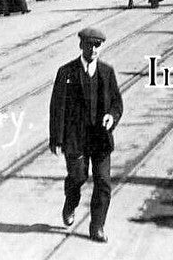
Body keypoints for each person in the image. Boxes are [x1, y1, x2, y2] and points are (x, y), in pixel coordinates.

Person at [48, 26, 124, 242]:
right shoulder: (66, 72)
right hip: (75, 138)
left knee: (103, 182)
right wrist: (56, 138)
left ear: (101, 47)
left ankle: (97, 226)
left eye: (97, 46)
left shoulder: (107, 73)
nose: (93, 50)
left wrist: (112, 115)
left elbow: (117, 102)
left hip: (100, 138)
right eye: (89, 45)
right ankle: (70, 203)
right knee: (77, 177)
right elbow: (57, 107)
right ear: (81, 45)